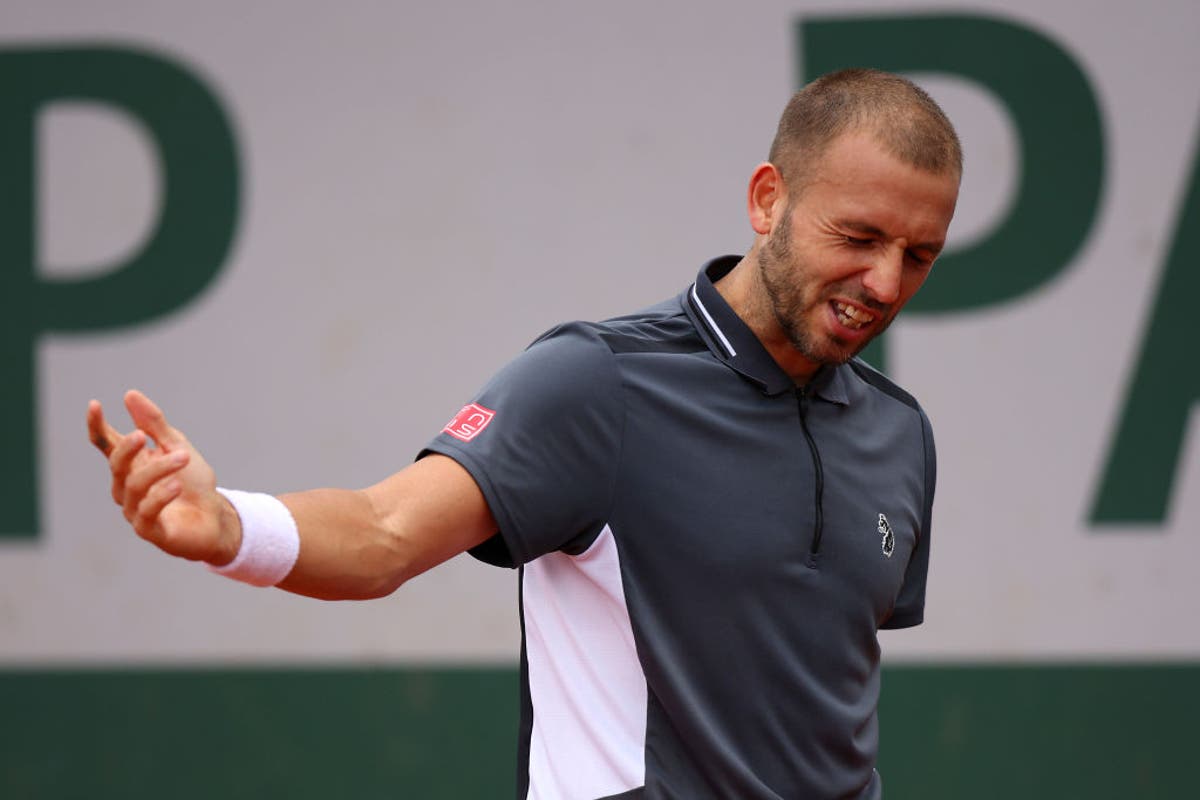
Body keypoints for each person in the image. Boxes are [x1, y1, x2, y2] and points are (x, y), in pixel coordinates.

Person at [87, 68, 961, 799]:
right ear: (768, 201)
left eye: (920, 255)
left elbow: (818, 709)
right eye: (858, 236)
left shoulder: (900, 432)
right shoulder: (597, 382)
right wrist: (233, 528)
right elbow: (385, 533)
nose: (885, 282)